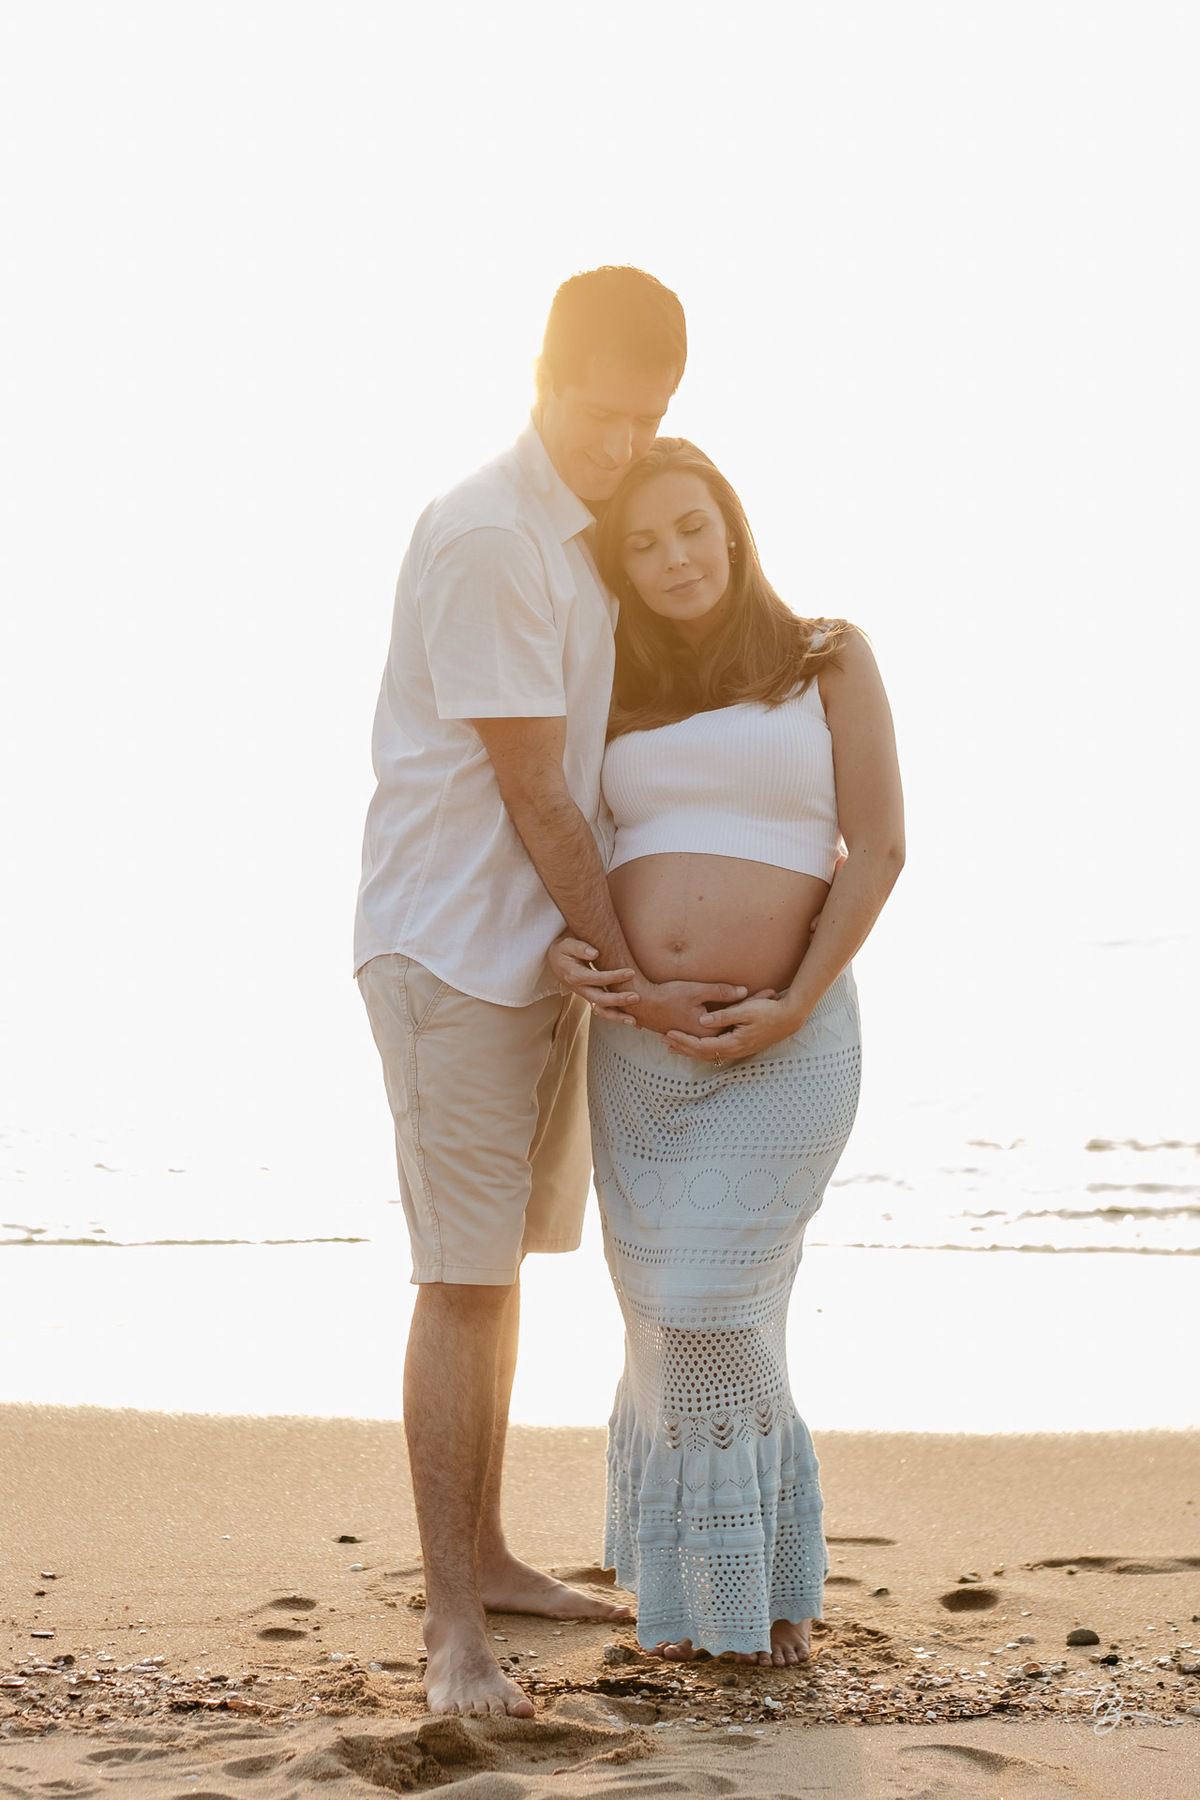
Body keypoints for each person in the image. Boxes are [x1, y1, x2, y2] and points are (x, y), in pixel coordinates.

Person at [354, 272, 748, 1718]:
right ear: (539, 376)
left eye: (652, 420)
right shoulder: (487, 536)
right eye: (604, 414)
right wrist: (641, 976)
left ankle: (497, 1553)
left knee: (499, 1273)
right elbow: (533, 789)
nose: (625, 442)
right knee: (460, 1283)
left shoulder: (587, 541)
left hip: (537, 959)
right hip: (451, 953)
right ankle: (452, 1630)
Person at [550, 438, 905, 1666]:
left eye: (690, 528)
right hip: (642, 1058)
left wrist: (797, 999)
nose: (672, 559)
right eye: (641, 545)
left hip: (788, 1047)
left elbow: (883, 846)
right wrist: (578, 960)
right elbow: (565, 849)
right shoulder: (608, 680)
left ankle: (748, 1600)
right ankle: (742, 1600)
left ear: (734, 528)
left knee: (711, 1308)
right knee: (682, 1320)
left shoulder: (826, 656)